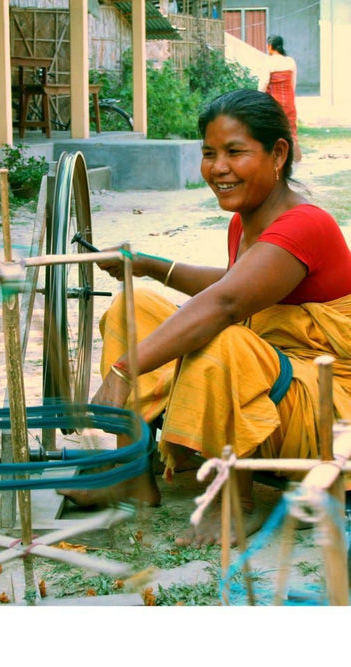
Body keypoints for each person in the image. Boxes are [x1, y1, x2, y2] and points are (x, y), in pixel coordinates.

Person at [60, 89, 351, 546]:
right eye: (209, 154)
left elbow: (227, 305)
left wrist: (124, 370)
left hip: (323, 406)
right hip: (277, 375)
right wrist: (152, 267)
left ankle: (235, 501)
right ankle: (133, 471)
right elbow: (240, 283)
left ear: (278, 153)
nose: (218, 168)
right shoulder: (245, 219)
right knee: (133, 308)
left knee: (222, 337)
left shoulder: (305, 224)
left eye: (235, 152)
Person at [258, 35, 302, 162]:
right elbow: (293, 84)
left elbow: (264, 83)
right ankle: (295, 157)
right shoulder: (290, 61)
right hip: (288, 101)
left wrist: (259, 99)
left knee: (273, 129)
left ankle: (275, 157)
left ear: (270, 46)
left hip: (273, 102)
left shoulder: (268, 61)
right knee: (291, 129)